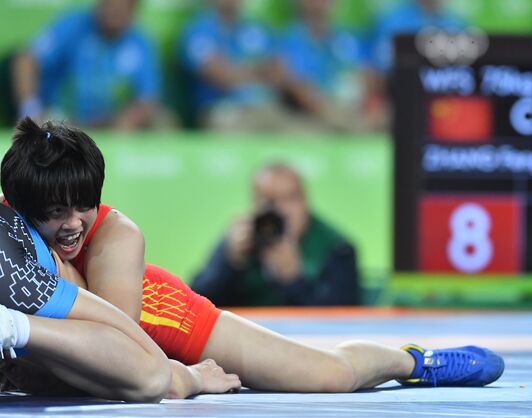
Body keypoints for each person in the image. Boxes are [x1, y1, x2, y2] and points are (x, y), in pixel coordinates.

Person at [1, 117, 505, 395]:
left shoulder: (116, 236)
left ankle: (412, 361)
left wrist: (189, 379)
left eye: (82, 208)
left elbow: (117, 361)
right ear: (20, 209)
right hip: (101, 336)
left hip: (162, 318)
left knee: (328, 377)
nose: (72, 225)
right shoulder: (8, 235)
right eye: (54, 213)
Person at [0, 203, 239, 401]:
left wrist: (189, 377)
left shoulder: (31, 282)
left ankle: (10, 326)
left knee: (152, 375)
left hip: (159, 305)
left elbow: (155, 376)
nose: (72, 223)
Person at [192, 162, 360, 306]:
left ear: (305, 201)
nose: (281, 211)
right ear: (254, 204)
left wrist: (293, 280)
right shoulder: (241, 239)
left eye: (290, 198)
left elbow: (340, 320)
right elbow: (195, 305)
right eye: (270, 202)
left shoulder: (336, 247)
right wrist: (230, 262)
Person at [11, 0, 161, 129]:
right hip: (61, 120)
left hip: (111, 123)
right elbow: (25, 60)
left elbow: (148, 98)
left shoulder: (140, 42)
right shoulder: (73, 25)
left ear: (133, 11)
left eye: (122, 6)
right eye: (110, 4)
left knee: (162, 121)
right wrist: (30, 109)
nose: (114, 11)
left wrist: (129, 119)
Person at [177, 0, 287, 131]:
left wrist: (234, 68)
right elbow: (221, 78)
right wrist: (259, 70)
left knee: (302, 133)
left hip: (267, 106)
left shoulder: (258, 28)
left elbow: (279, 74)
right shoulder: (198, 30)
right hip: (222, 109)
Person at [362, 0, 465, 130]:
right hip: (397, 102)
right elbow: (375, 70)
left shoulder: (457, 25)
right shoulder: (391, 21)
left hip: (445, 105)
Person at [275, 0, 367, 132]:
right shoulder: (286, 40)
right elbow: (286, 81)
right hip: (304, 116)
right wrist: (324, 107)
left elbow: (362, 77)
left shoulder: (349, 39)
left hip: (347, 111)